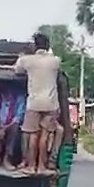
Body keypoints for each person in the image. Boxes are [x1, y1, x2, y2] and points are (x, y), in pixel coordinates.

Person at [13, 32, 62, 174]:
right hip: (51, 103)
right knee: (45, 136)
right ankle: (42, 166)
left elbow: (17, 70)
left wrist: (22, 57)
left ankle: (31, 166)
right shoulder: (55, 61)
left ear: (34, 46)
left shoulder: (27, 60)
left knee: (33, 135)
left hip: (34, 103)